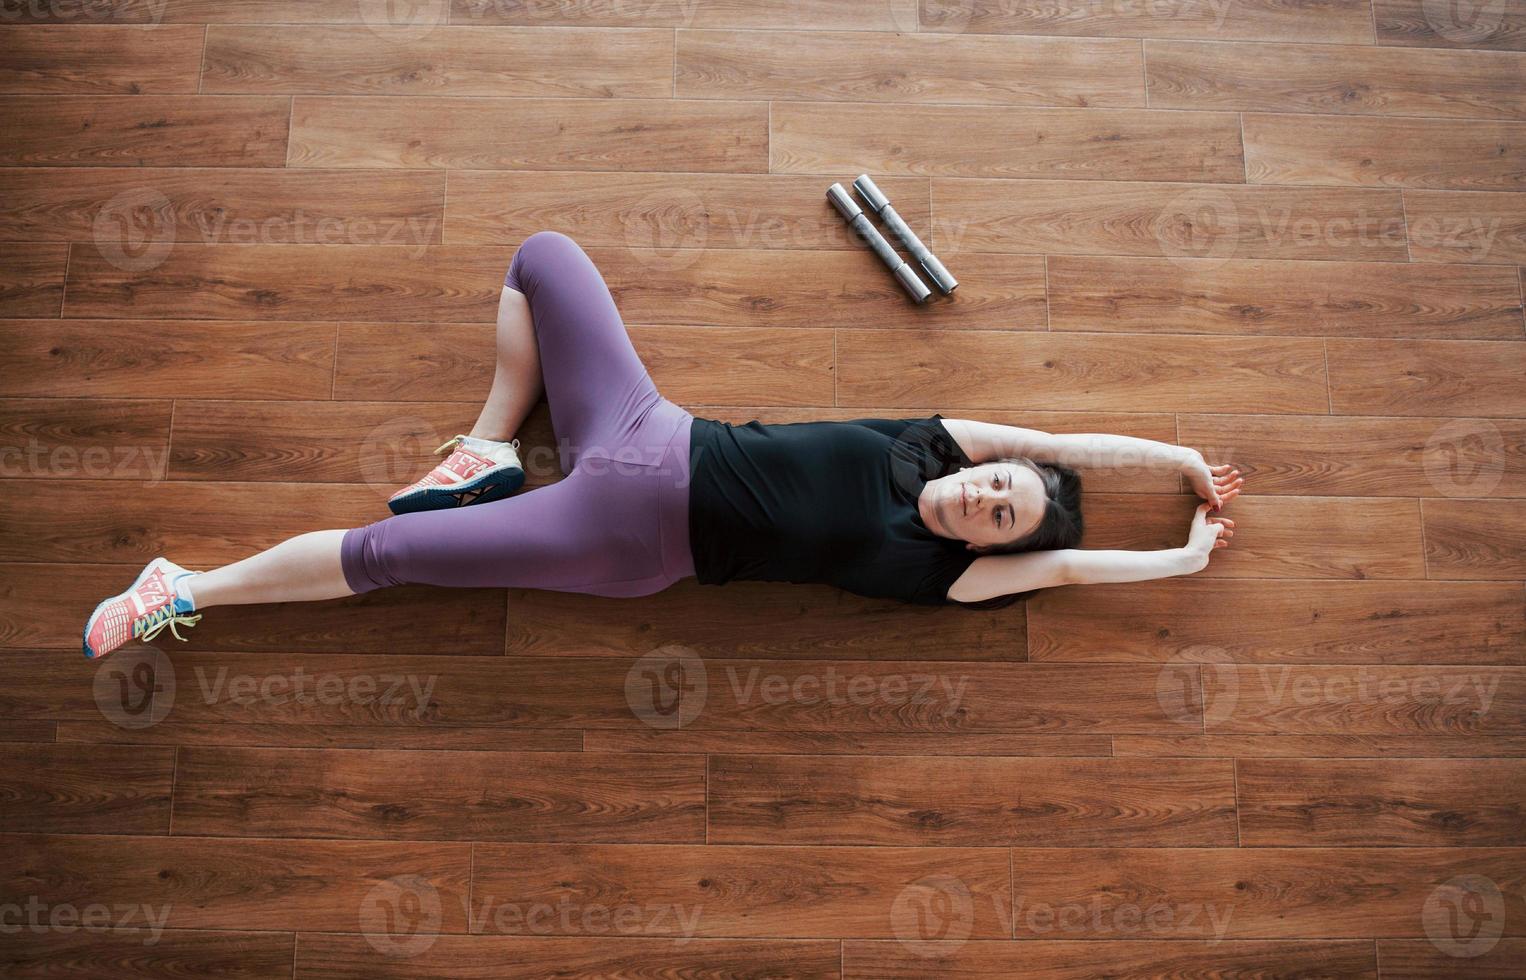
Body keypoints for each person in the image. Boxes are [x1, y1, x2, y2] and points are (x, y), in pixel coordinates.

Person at [83, 232, 1240, 659]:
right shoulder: (927, 438)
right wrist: (1171, 454)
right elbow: (1052, 434)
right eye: (994, 486)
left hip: (625, 533)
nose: (981, 498)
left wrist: (1179, 560)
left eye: (997, 513)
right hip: (644, 425)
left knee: (390, 555)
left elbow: (1076, 564)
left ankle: (183, 587)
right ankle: (487, 444)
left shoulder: (948, 573)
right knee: (544, 255)